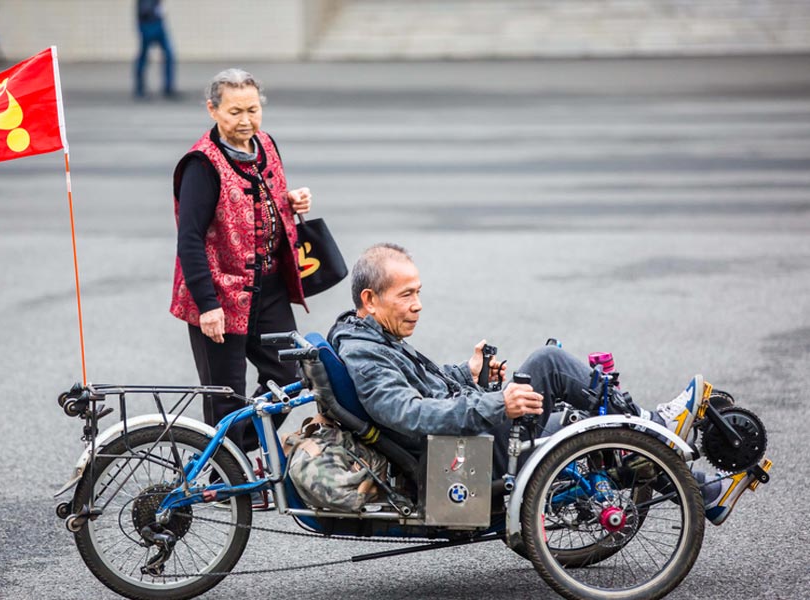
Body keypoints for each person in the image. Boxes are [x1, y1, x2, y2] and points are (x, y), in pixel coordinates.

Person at [328, 243, 770, 525]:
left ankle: (703, 491)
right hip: (458, 454)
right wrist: (498, 403)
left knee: (586, 421)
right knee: (550, 363)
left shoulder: (371, 335)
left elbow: (423, 388)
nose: (418, 305)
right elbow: (408, 414)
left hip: (465, 432)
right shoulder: (364, 351)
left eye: (419, 292)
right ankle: (656, 425)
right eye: (406, 295)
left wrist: (469, 372)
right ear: (370, 300)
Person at [170, 68, 312, 451]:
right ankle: (224, 482)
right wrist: (208, 306)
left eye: (252, 109)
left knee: (289, 378)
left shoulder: (265, 143)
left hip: (268, 289)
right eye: (235, 112)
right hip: (220, 295)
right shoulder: (201, 165)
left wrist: (291, 200)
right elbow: (190, 240)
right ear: (213, 110)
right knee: (225, 396)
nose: (246, 120)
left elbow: (262, 200)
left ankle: (228, 456)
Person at [134, 0, 176, 99]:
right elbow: (144, 10)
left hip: (158, 23)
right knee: (144, 57)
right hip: (148, 24)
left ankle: (168, 87)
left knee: (169, 55)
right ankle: (140, 89)